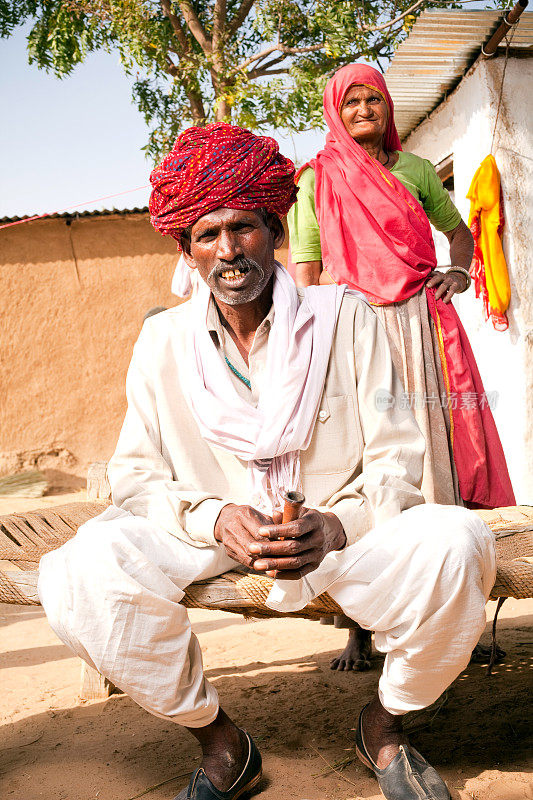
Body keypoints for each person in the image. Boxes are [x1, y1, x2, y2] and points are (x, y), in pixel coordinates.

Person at [38, 123, 496, 800]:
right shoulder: (162, 341)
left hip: (340, 537)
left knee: (459, 543)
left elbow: (396, 457)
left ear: (275, 229)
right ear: (187, 252)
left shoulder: (345, 317)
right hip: (206, 535)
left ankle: (385, 720)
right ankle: (221, 741)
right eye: (206, 234)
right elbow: (134, 472)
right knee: (75, 575)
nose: (228, 249)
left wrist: (337, 524)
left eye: (243, 227)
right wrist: (215, 516)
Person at [287, 63, 514, 672]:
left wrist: (460, 272)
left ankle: (460, 615)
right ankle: (358, 628)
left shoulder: (413, 171)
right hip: (354, 333)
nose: (364, 110)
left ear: (387, 108)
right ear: (336, 110)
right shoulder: (316, 181)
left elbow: (459, 232)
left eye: (374, 100)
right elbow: (306, 273)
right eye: (352, 101)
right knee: (362, 466)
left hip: (422, 327)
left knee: (444, 456)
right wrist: (310, 349)